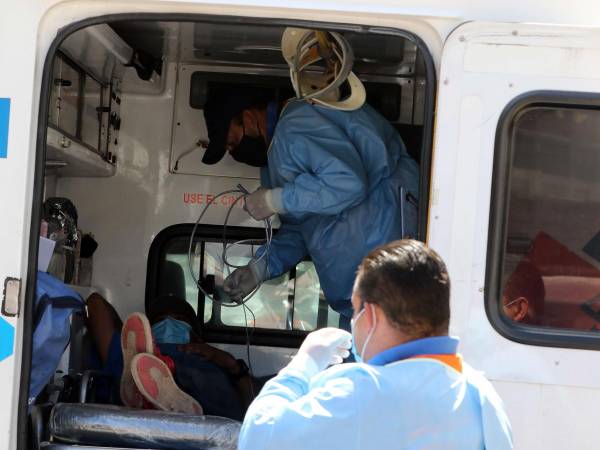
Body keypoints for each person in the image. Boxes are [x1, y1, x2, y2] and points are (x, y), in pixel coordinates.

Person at [202, 42, 419, 328]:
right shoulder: (273, 165)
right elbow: (303, 227)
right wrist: (260, 266)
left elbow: (347, 183)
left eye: (232, 141)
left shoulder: (296, 125)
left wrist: (275, 201)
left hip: (390, 293)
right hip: (363, 301)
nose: (234, 153)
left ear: (248, 115)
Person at [237, 239, 514, 450]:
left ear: (370, 314)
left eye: (355, 310)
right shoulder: (482, 397)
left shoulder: (361, 391)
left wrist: (302, 366)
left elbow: (259, 438)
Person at [86, 293, 255, 419]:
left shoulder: (213, 359)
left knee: (202, 381)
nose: (168, 324)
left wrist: (231, 365)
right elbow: (95, 302)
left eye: (178, 319)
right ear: (148, 330)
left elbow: (253, 409)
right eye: (160, 320)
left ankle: (155, 397)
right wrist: (131, 340)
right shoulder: (132, 350)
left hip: (207, 398)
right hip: (138, 366)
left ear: (195, 334)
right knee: (135, 365)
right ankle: (150, 389)